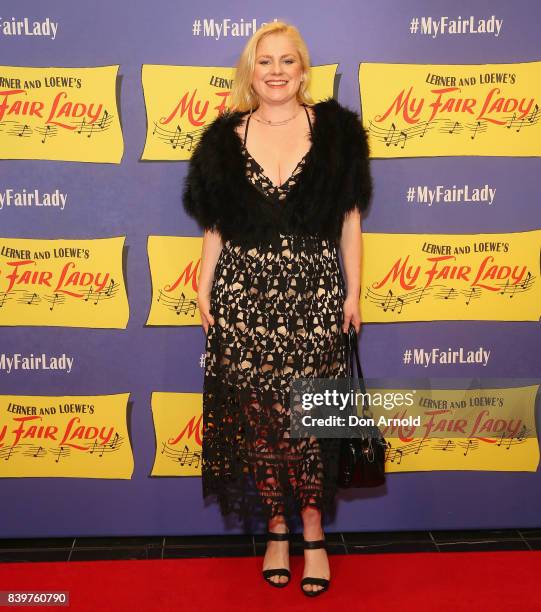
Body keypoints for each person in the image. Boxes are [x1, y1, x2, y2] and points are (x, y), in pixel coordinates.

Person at [182, 20, 372, 597]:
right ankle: (277, 528)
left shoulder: (336, 133)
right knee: (262, 422)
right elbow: (216, 226)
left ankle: (313, 528)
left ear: (303, 69)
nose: (276, 72)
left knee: (310, 421)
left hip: (314, 295)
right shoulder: (224, 139)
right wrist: (203, 286)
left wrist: (354, 290)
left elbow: (349, 221)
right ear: (251, 70)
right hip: (245, 299)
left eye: (287, 61)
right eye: (265, 61)